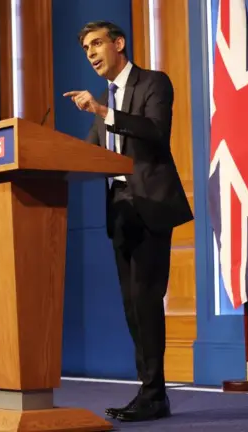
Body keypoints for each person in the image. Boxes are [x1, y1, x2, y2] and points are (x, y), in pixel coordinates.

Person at [63, 21, 193, 422]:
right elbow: (88, 153)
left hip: (151, 205)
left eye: (97, 44)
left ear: (119, 43)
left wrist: (105, 112)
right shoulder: (104, 99)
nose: (92, 53)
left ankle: (154, 395)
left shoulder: (153, 83)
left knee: (147, 300)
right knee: (132, 307)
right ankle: (149, 391)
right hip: (119, 209)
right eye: (86, 49)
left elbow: (155, 132)